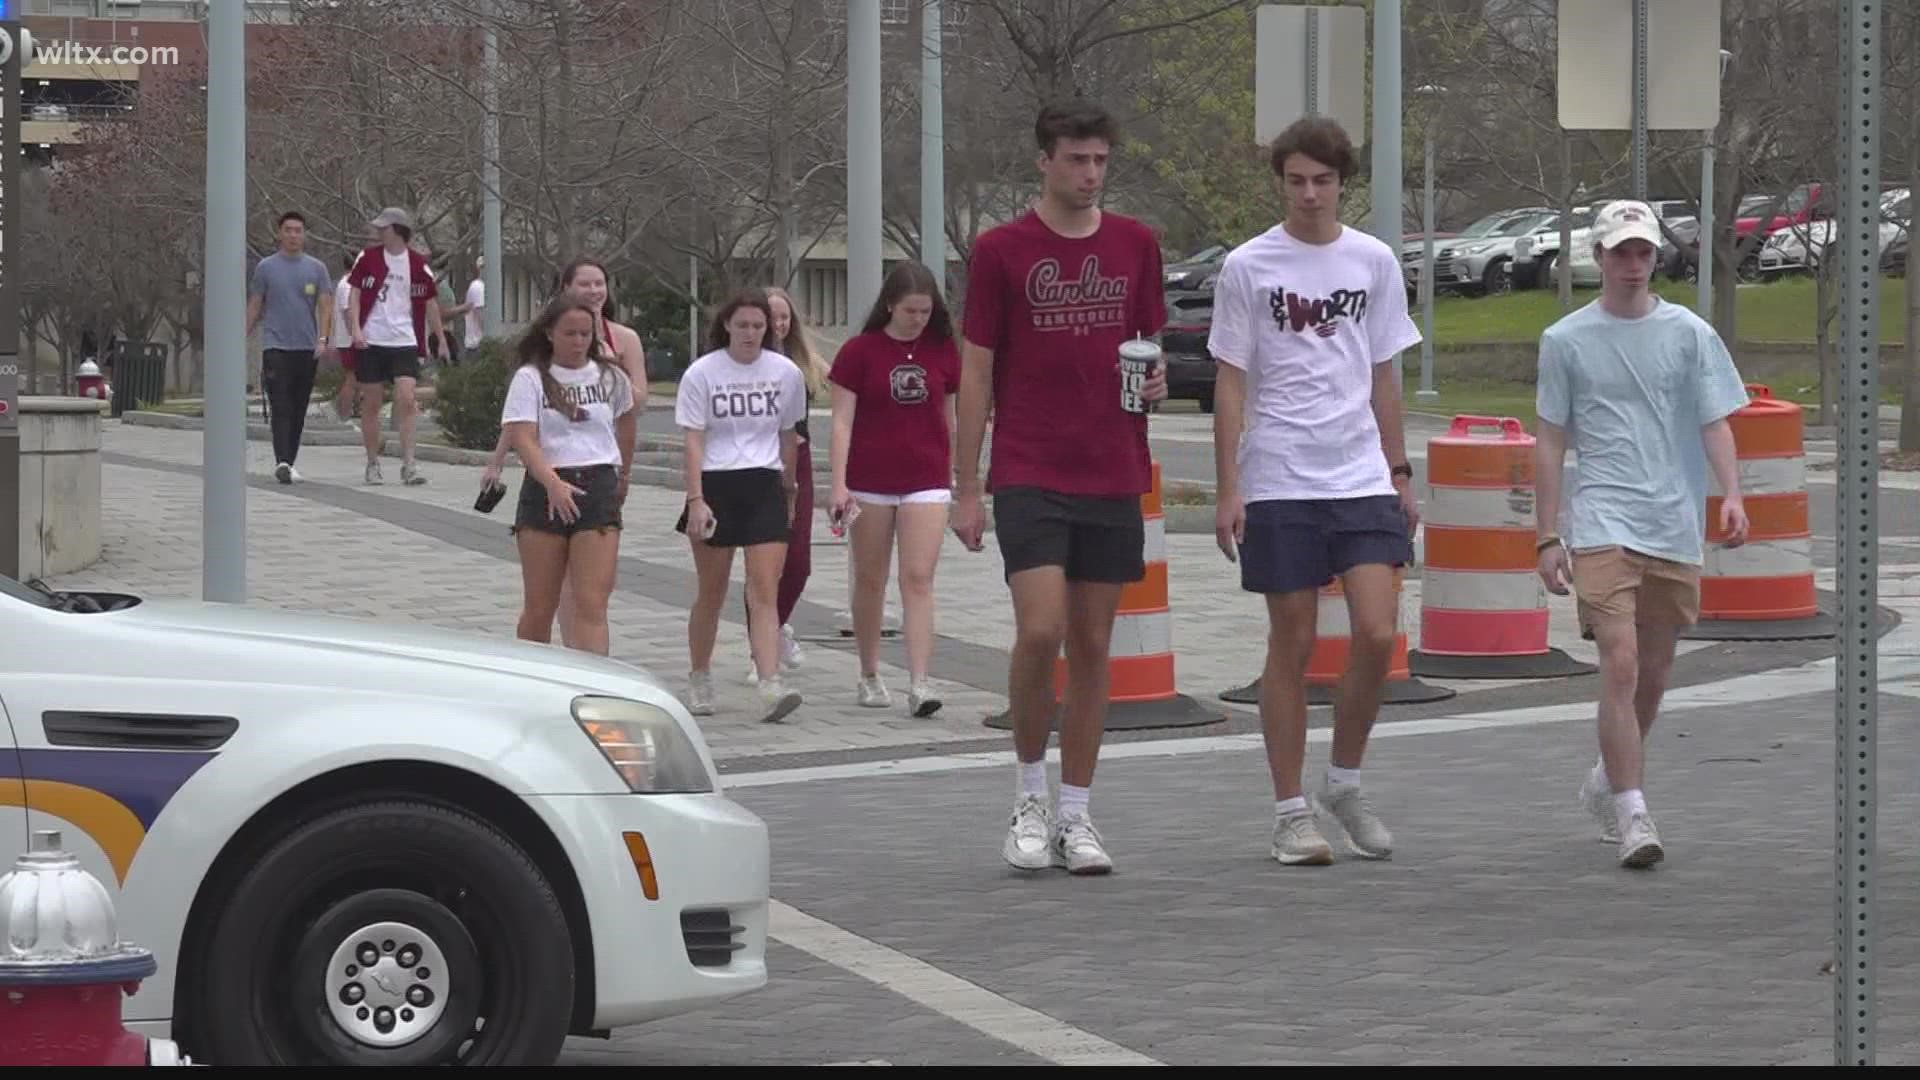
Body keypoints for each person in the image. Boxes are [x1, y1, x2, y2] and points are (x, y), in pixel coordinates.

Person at [951, 99, 1168, 876]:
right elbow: (976, 369)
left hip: (1111, 463)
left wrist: (1154, 384)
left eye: (1101, 160)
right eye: (1076, 159)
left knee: (1095, 643)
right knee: (1040, 630)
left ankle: (1077, 812)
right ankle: (1029, 795)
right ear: (1044, 161)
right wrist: (965, 485)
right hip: (1030, 463)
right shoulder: (1002, 250)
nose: (1089, 174)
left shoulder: (1136, 243)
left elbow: (1147, 347)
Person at [1207, 116, 1422, 868]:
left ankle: (1345, 780)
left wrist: (1399, 471)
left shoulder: (1372, 261)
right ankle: (1289, 810)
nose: (1308, 194)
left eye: (1322, 181)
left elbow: (1385, 372)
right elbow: (1230, 378)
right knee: (1292, 641)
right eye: (1295, 180)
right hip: (1280, 475)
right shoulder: (1248, 266)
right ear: (1281, 182)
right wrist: (1229, 484)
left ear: (1342, 185)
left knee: (1375, 631)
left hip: (1358, 471)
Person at [1534, 198, 1751, 870]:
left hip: (1672, 519)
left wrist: (1733, 494)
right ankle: (1634, 812)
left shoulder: (1688, 333)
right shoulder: (1566, 340)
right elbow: (1549, 439)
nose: (1632, 265)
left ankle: (1606, 779)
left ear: (1656, 258)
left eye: (1643, 253)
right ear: (1598, 257)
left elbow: (1715, 418)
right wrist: (1547, 535)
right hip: (1603, 519)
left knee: (1654, 676)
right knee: (1620, 665)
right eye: (1620, 253)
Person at [485, 258, 649, 648]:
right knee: (540, 605)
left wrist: (623, 472)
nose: (578, 342)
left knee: (592, 602)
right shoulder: (531, 377)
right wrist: (553, 483)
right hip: (547, 486)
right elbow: (523, 436)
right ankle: (533, 677)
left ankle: (594, 680)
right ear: (549, 333)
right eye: (569, 333)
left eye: (585, 334)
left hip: (598, 484)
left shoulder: (609, 374)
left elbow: (626, 419)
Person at [827, 261, 960, 717]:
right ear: (890, 305)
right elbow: (842, 421)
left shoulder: (943, 351)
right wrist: (839, 483)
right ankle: (869, 671)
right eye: (910, 311)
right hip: (870, 480)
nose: (918, 319)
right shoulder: (859, 352)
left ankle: (920, 681)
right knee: (870, 577)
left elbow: (951, 416)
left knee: (918, 578)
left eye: (925, 311)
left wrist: (961, 474)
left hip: (927, 478)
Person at [676, 290, 808, 725]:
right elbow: (693, 439)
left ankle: (770, 684)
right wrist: (696, 499)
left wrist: (789, 490)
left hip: (764, 483)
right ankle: (699, 675)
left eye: (759, 326)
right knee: (711, 592)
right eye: (744, 325)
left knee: (763, 591)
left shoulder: (785, 372)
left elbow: (788, 435)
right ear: (727, 326)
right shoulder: (702, 373)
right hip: (716, 483)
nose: (751, 333)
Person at [741, 286, 830, 676]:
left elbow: (846, 386)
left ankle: (776, 628)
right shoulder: (740, 361)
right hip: (754, 463)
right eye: (769, 317)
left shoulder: (802, 361)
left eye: (783, 318)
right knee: (762, 565)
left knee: (798, 562)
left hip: (798, 460)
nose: (777, 325)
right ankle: (761, 650)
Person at [346, 206, 448, 486]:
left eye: (385, 228)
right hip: (372, 339)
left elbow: (430, 303)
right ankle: (372, 462)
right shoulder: (367, 259)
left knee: (406, 398)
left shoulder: (417, 264)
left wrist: (439, 338)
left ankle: (409, 464)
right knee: (372, 403)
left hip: (404, 340)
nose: (380, 232)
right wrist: (355, 328)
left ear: (399, 231)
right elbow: (354, 294)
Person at [246, 211, 334, 484]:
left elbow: (325, 307)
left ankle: (290, 461)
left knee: (298, 407)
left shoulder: (316, 269)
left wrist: (323, 339)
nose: (293, 235)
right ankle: (281, 460)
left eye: (298, 230)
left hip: (306, 348)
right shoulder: (266, 268)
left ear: (304, 235)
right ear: (279, 234)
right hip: (276, 345)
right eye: (288, 230)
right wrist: (241, 336)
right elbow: (255, 304)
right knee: (280, 405)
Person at [330, 252, 359, 423]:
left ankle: (352, 410)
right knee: (352, 378)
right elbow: (349, 313)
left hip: (348, 338)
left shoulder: (347, 284)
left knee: (356, 377)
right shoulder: (348, 285)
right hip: (350, 340)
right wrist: (356, 334)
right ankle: (344, 413)